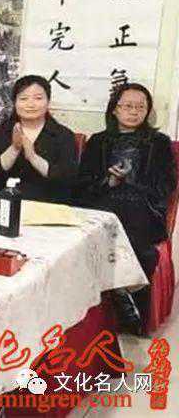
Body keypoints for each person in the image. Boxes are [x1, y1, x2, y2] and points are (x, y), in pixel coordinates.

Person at [76, 83, 177, 333]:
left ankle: (124, 299)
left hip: (143, 208)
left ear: (148, 111)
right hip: (104, 203)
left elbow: (167, 184)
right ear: (115, 109)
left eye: (140, 107)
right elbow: (83, 183)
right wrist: (109, 181)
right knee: (106, 216)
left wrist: (133, 184)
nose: (134, 111)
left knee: (120, 219)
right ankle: (124, 295)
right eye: (128, 106)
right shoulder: (98, 141)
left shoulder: (159, 143)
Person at [0, 75, 78, 203]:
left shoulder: (64, 135)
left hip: (48, 204)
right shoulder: (1, 131)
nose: (30, 104)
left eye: (38, 98)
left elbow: (66, 178)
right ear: (15, 102)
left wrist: (33, 157)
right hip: (4, 202)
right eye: (23, 98)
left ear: (48, 101)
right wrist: (14, 149)